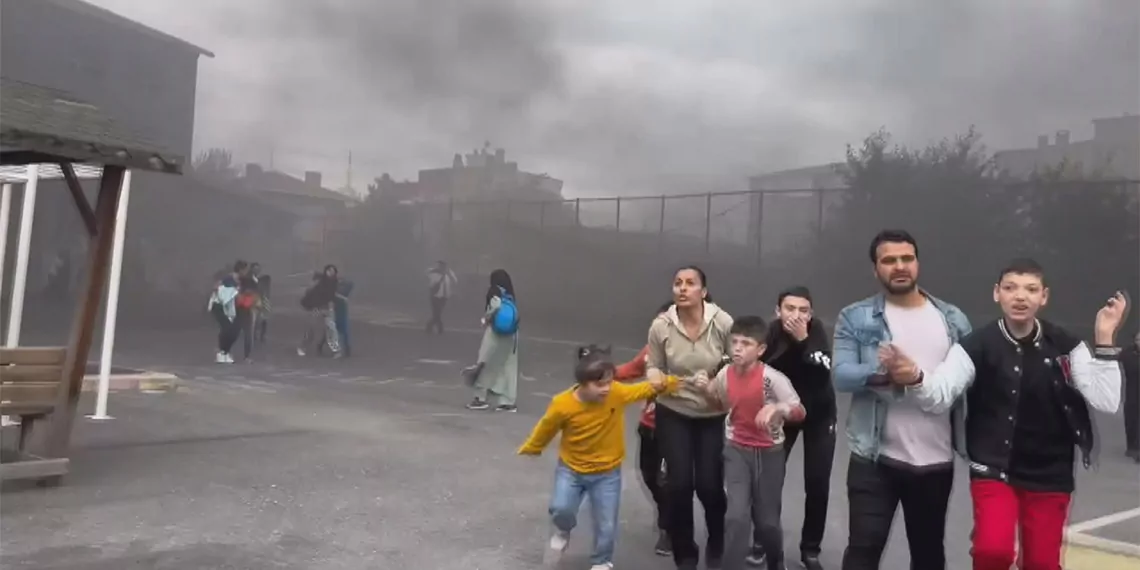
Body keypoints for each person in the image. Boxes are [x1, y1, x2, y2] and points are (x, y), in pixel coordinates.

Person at [883, 259, 1126, 570]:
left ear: (1044, 297)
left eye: (1030, 289)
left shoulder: (1067, 345)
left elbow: (1106, 400)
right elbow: (938, 395)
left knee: (1041, 564)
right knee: (992, 553)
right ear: (997, 294)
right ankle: (989, 536)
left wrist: (1105, 337)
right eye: (1010, 288)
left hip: (1051, 474)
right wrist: (915, 376)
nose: (1020, 296)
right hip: (993, 469)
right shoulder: (976, 345)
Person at [832, 230, 971, 570]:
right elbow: (841, 374)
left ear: (917, 263)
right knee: (863, 551)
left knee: (927, 555)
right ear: (875, 269)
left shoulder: (953, 319)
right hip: (874, 457)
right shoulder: (856, 317)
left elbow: (969, 379)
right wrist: (887, 374)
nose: (899, 266)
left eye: (906, 258)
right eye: (888, 260)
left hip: (935, 462)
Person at [518, 344, 679, 570]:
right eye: (599, 384)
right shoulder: (562, 404)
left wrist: (675, 382)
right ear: (583, 382)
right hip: (571, 469)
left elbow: (646, 389)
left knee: (606, 523)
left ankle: (602, 561)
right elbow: (546, 428)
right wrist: (533, 446)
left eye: (609, 382)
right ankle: (564, 530)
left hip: (607, 473)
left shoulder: (617, 393)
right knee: (561, 508)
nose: (606, 389)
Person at [694, 315, 805, 570]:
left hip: (769, 453)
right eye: (734, 342)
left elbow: (800, 411)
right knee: (736, 517)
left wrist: (779, 408)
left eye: (746, 343)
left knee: (767, 522)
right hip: (736, 450)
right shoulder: (725, 374)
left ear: (761, 350)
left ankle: (776, 562)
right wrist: (706, 390)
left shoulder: (772, 379)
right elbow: (720, 405)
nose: (738, 349)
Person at [646, 265, 734, 570]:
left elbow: (737, 366)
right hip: (673, 409)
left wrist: (715, 384)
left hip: (712, 411)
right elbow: (653, 365)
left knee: (709, 485)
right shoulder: (661, 326)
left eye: (690, 283)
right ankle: (685, 554)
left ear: (703, 291)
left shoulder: (722, 322)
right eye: (677, 284)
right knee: (679, 484)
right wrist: (655, 376)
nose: (682, 288)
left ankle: (718, 540)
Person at [753, 286, 834, 570]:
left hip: (819, 415)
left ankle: (810, 549)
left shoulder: (817, 331)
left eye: (803, 311)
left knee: (818, 482)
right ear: (778, 311)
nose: (796, 316)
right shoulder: (770, 333)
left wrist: (803, 341)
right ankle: (763, 539)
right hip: (782, 415)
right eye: (790, 309)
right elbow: (755, 368)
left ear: (810, 314)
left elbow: (824, 370)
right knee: (769, 479)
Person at [613, 300, 677, 557]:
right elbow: (631, 370)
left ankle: (669, 529)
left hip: (682, 424)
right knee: (649, 474)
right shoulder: (651, 349)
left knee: (674, 479)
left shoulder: (699, 353)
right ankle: (667, 513)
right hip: (650, 424)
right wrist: (602, 371)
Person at [466, 269, 520, 412]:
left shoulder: (494, 290)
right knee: (508, 366)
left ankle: (480, 398)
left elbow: (495, 306)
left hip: (495, 332)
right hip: (511, 334)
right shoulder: (510, 294)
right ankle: (508, 402)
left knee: (484, 361)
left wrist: (486, 318)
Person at [297, 265, 341, 358]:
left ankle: (336, 350)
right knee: (311, 328)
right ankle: (302, 347)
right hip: (317, 308)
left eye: (333, 271)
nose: (331, 273)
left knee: (332, 330)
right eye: (329, 271)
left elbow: (333, 296)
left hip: (328, 308)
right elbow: (311, 293)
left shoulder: (334, 283)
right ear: (326, 271)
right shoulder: (320, 282)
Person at [207, 260, 246, 364]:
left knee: (232, 331)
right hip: (219, 306)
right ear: (241, 269)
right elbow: (223, 293)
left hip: (227, 307)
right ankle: (222, 352)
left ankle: (224, 352)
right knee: (228, 329)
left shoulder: (238, 280)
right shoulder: (229, 279)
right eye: (245, 270)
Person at [426, 260, 458, 334]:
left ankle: (429, 327)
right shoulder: (434, 273)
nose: (442, 267)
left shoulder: (448, 274)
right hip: (435, 296)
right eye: (441, 266)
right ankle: (439, 329)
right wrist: (434, 270)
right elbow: (427, 275)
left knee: (437, 314)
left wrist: (449, 274)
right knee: (437, 313)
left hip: (444, 297)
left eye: (444, 266)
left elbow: (455, 281)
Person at [1124, 332, 1140, 463]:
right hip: (1132, 389)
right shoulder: (1128, 353)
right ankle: (1132, 445)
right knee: (1131, 416)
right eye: (1138, 340)